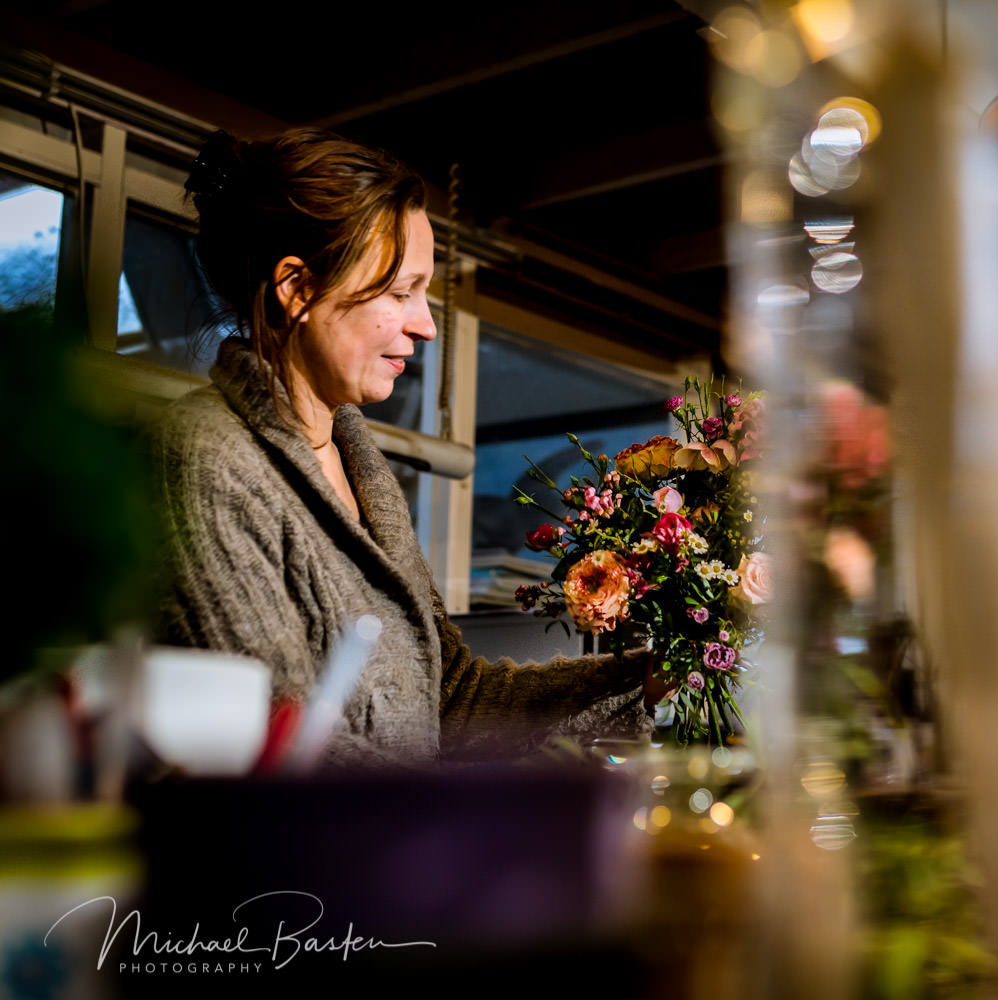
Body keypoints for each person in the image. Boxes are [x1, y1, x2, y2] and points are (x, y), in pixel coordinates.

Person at [152, 128, 657, 767]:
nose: (426, 324)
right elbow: (285, 752)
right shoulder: (208, 462)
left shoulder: (361, 467)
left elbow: (452, 698)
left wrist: (646, 680)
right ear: (297, 288)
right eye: (399, 293)